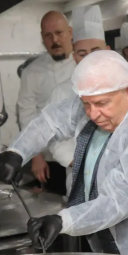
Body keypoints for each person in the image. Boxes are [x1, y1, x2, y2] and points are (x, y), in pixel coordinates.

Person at [0, 50, 128, 255]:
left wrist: (62, 220)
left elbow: (121, 199)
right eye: (86, 104)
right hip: (99, 224)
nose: (92, 114)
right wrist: (17, 152)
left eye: (102, 104)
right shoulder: (99, 94)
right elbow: (51, 120)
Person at [43, 5, 112, 194]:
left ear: (107, 51)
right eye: (82, 53)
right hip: (80, 182)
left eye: (95, 50)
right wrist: (80, 162)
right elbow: (54, 137)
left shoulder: (127, 86)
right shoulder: (62, 92)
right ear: (74, 57)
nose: (89, 59)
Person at [15, 11, 76, 196]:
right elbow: (26, 115)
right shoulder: (32, 72)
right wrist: (36, 155)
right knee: (54, 208)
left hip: (81, 154)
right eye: (48, 35)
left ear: (70, 32)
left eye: (59, 33)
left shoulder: (83, 64)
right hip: (48, 159)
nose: (54, 40)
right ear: (42, 38)